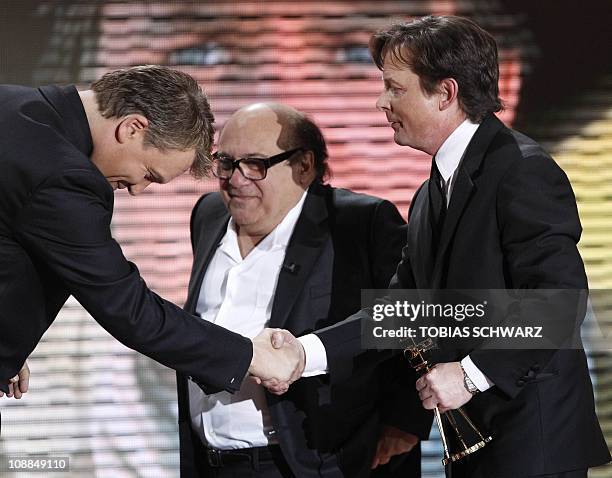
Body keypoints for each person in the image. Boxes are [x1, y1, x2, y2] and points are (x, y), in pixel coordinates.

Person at [281, 15, 610, 478]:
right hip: (477, 443)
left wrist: (470, 374)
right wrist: (305, 352)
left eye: (395, 88)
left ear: (445, 93)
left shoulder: (522, 170)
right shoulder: (430, 192)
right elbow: (402, 309)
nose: (381, 102)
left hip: (530, 446)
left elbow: (558, 301)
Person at [0, 66, 303, 413]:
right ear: (132, 128)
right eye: (148, 174)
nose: (136, 190)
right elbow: (126, 306)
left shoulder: (14, 106)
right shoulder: (62, 176)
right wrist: (251, 355)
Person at [176, 102, 432, 477]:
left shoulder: (359, 223)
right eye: (226, 162)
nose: (235, 178)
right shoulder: (208, 214)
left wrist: (406, 421)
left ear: (304, 166)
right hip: (212, 462)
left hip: (319, 462)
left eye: (256, 164)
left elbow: (411, 316)